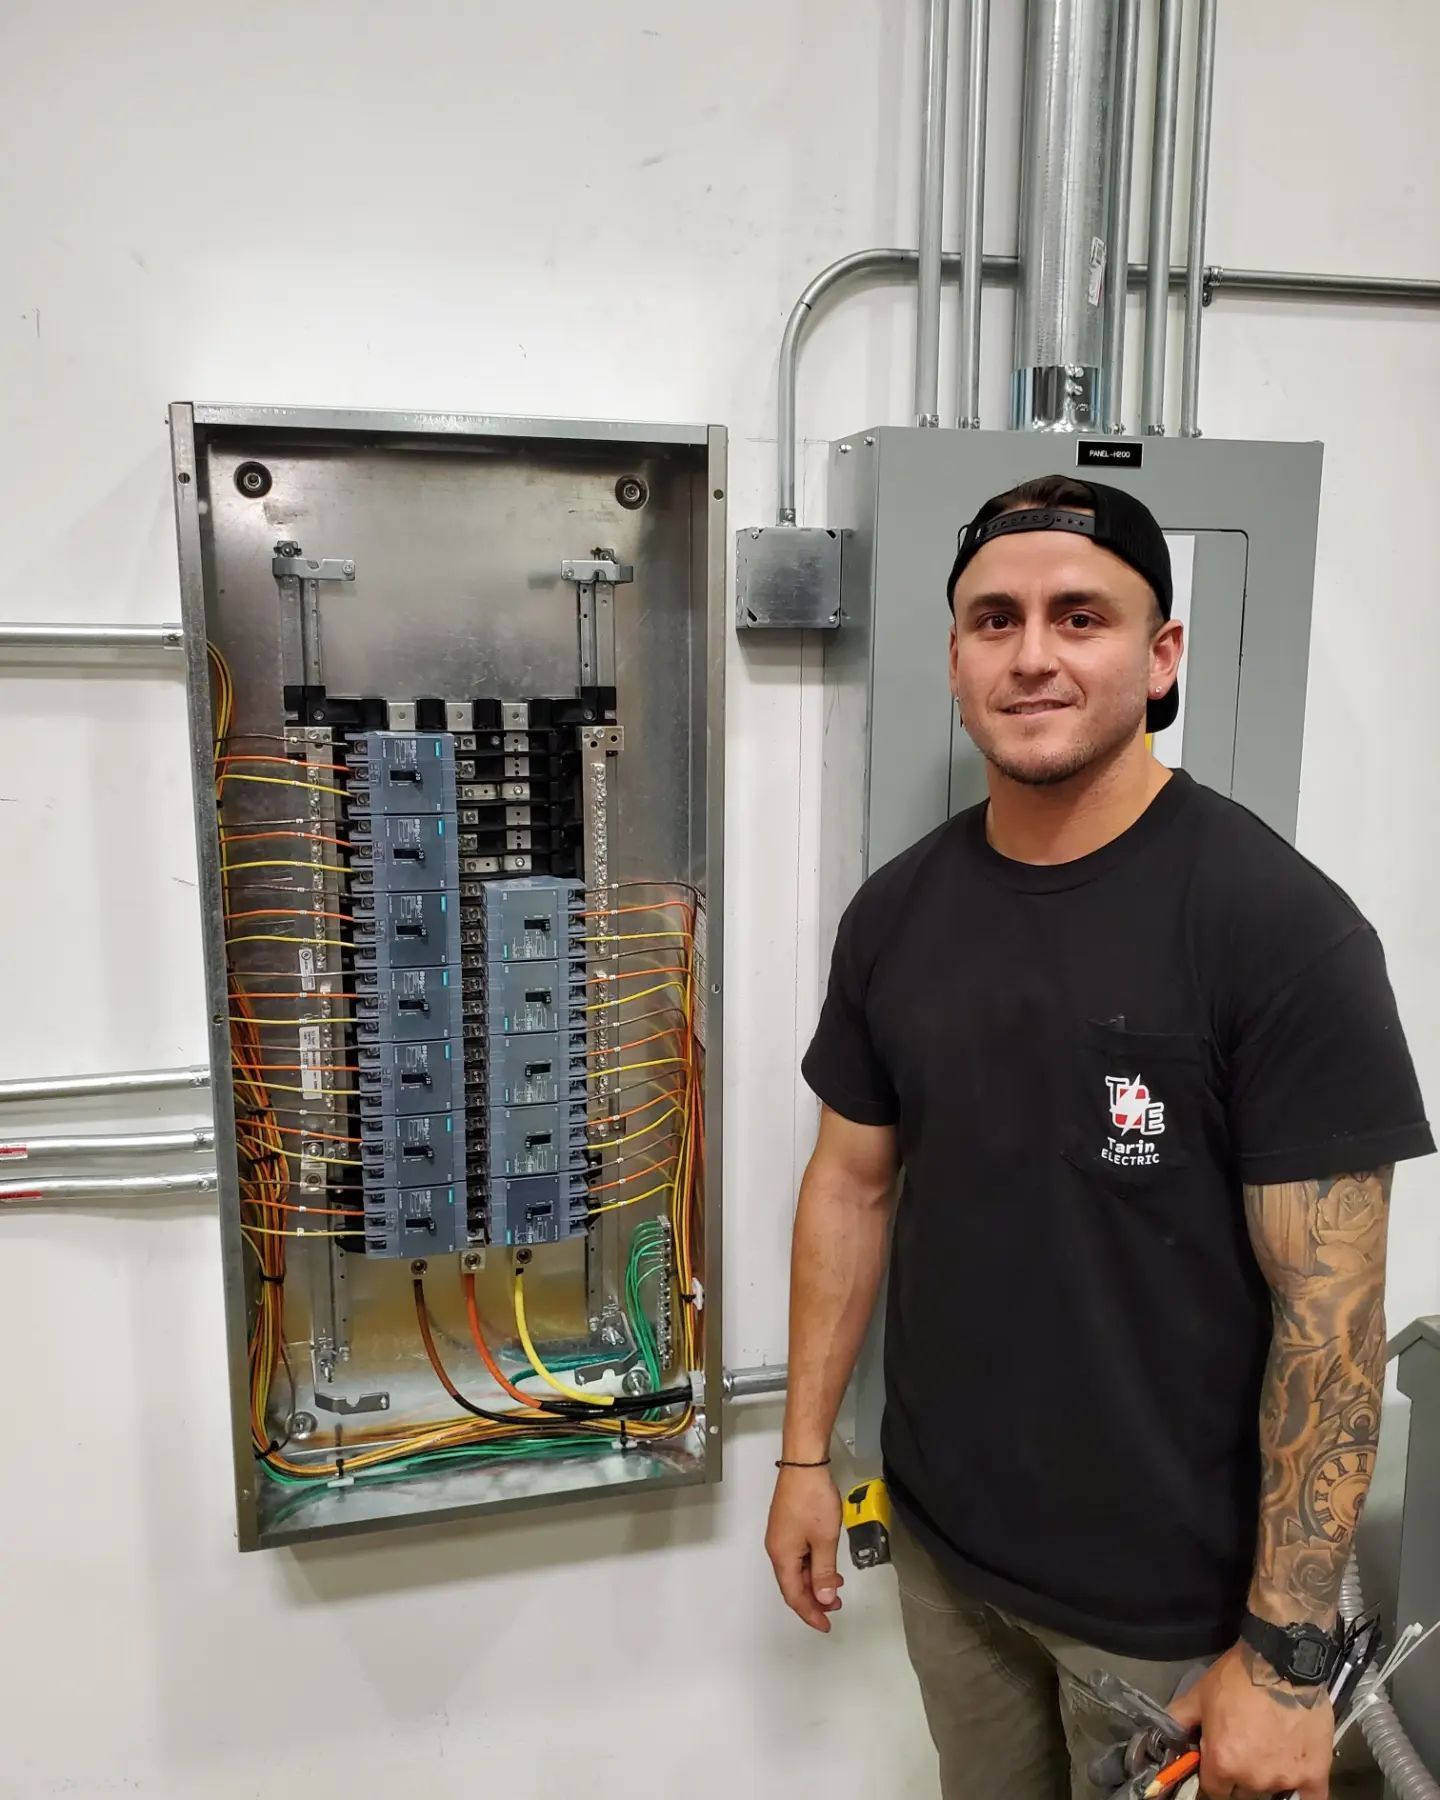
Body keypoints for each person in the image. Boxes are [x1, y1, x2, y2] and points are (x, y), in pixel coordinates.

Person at [764, 475, 1433, 1800]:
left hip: (1167, 1613)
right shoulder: (897, 914)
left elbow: (1333, 1313)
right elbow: (850, 1188)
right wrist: (803, 1458)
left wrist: (1292, 1660)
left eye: (1082, 617)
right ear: (954, 657)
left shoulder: (1277, 930)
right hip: (951, 1556)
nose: (1032, 655)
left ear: (1161, 655)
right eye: (993, 620)